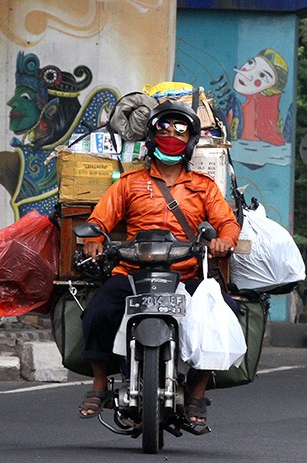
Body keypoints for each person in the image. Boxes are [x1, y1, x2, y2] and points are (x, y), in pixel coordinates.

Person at [77, 100, 241, 425]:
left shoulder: (204, 187)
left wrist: (225, 240)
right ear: (151, 136)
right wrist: (94, 239)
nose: (172, 135)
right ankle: (99, 382)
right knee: (98, 311)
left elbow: (227, 223)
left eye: (180, 130)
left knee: (225, 313)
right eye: (164, 128)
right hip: (133, 272)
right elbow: (99, 220)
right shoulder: (129, 183)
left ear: (191, 140)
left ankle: (196, 390)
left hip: (185, 273)